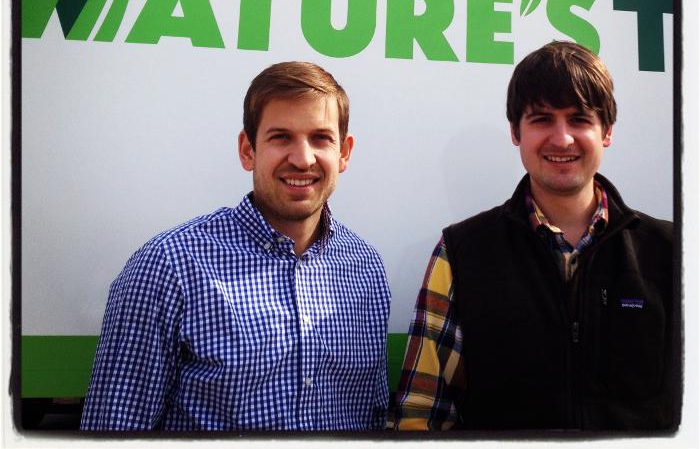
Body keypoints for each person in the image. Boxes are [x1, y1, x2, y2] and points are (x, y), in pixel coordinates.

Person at [81, 61, 390, 431]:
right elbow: (114, 430)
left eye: (321, 138)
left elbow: (372, 418)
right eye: (281, 137)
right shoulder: (168, 267)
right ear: (247, 150)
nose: (303, 158)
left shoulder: (366, 269)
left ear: (344, 153)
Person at [395, 41, 675, 431]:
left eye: (579, 119)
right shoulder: (459, 253)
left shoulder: (673, 252)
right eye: (542, 119)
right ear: (516, 131)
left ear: (607, 131)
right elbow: (421, 412)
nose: (562, 139)